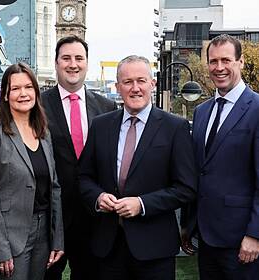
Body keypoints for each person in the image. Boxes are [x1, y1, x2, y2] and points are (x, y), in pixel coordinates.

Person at [79, 55, 197, 280]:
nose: (135, 88)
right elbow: (84, 177)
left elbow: (186, 188)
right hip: (108, 247)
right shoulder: (101, 126)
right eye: (127, 82)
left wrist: (142, 204)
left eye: (141, 81)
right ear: (118, 87)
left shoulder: (175, 128)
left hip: (155, 249)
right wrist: (98, 197)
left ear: (152, 84)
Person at [0, 62, 64, 280]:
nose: (23, 94)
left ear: (36, 91)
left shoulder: (43, 133)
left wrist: (57, 239)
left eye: (28, 87)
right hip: (8, 237)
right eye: (15, 89)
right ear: (5, 95)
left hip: (43, 235)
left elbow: (54, 188)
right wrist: (0, 248)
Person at [181, 34, 259, 279]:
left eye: (226, 60)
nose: (219, 68)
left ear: (241, 62)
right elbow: (198, 170)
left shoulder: (257, 109)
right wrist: (188, 224)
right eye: (213, 61)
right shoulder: (203, 111)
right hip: (205, 236)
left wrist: (255, 234)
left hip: (242, 240)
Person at [42, 35, 117, 280]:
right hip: (51, 218)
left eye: (79, 58)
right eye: (66, 58)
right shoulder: (38, 106)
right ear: (56, 63)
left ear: (87, 63)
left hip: (94, 217)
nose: (73, 64)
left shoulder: (107, 107)